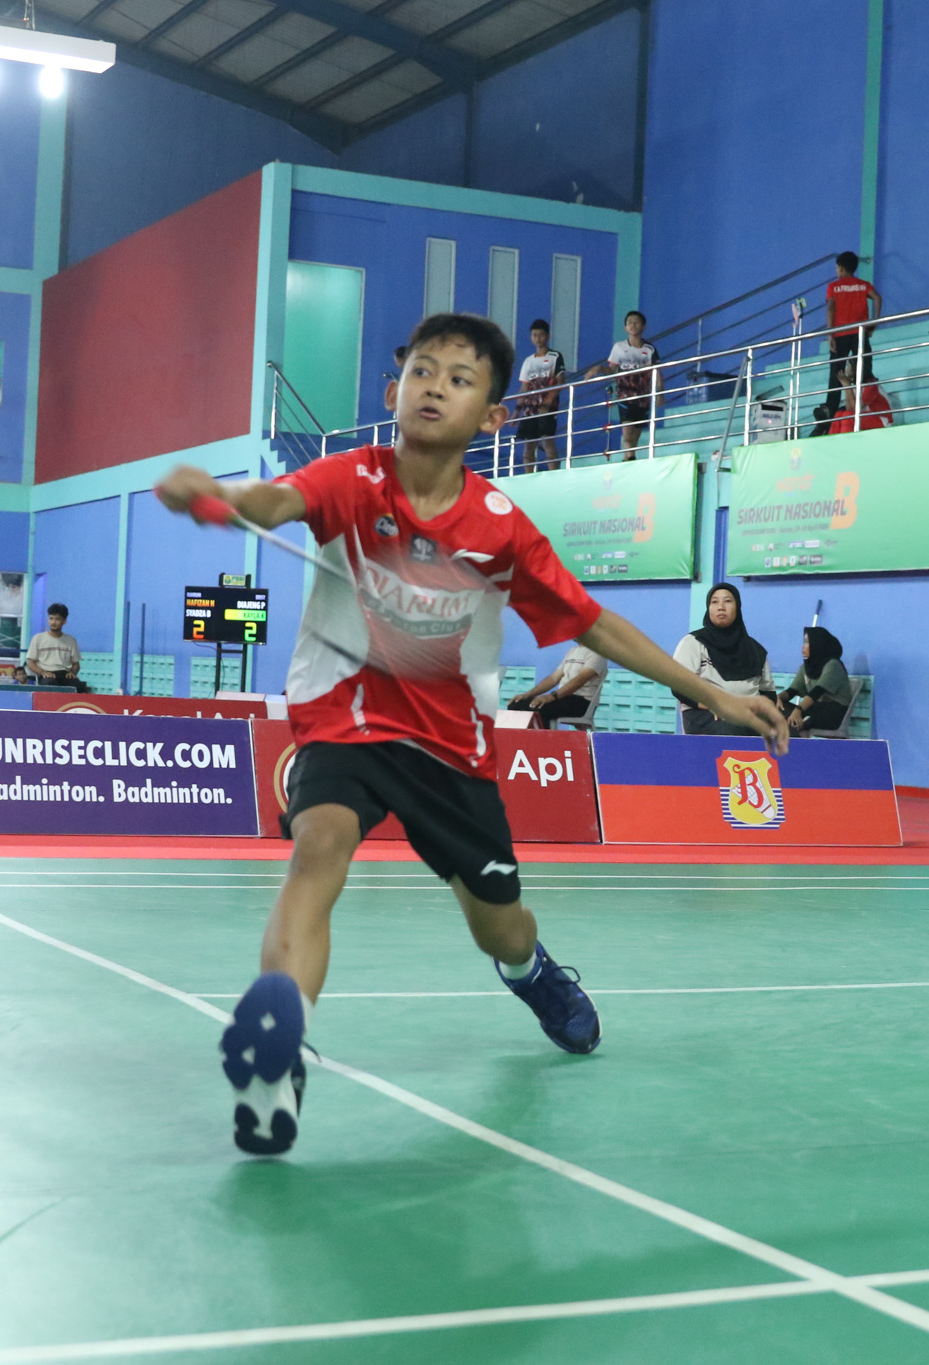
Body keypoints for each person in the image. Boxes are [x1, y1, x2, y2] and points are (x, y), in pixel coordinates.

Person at [155, 313, 786, 1156]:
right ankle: (279, 1047)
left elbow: (594, 625)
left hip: (449, 747)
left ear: (492, 416)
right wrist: (224, 497)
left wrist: (714, 695)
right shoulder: (353, 477)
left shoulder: (499, 526)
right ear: (394, 389)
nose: (434, 387)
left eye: (459, 379)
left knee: (501, 926)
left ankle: (530, 971)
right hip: (344, 717)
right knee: (317, 850)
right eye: (423, 370)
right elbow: (275, 500)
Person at [673, 582, 775, 735]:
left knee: (789, 733)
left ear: (737, 607)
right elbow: (679, 686)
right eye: (714, 602)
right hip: (706, 712)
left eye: (727, 601)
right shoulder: (693, 643)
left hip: (748, 715)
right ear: (708, 608)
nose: (721, 607)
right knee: (734, 730)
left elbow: (768, 693)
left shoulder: (755, 650)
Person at [813, 252, 881, 434]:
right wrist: (874, 322)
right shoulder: (863, 285)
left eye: (836, 268)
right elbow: (877, 298)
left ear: (841, 269)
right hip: (859, 332)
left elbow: (830, 308)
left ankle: (830, 407)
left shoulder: (833, 287)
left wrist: (830, 335)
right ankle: (866, 397)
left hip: (841, 334)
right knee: (865, 367)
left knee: (836, 371)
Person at [586, 310, 660, 460]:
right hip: (625, 394)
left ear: (644, 326)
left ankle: (627, 459)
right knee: (627, 434)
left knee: (635, 436)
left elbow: (656, 372)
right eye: (629, 322)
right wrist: (599, 369)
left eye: (636, 322)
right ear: (626, 328)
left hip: (642, 397)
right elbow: (612, 369)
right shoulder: (619, 347)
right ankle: (630, 458)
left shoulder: (649, 349)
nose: (632, 325)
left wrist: (660, 392)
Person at [507, 642, 607, 728]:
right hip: (563, 697)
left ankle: (544, 742)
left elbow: (579, 680)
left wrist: (552, 696)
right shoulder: (573, 651)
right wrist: (527, 695)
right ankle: (520, 741)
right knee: (517, 704)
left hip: (582, 702)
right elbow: (553, 678)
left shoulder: (598, 653)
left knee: (540, 708)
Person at [777, 626, 853, 735]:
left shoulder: (833, 665)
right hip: (814, 709)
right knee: (773, 708)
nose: (803, 646)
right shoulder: (807, 667)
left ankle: (798, 738)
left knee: (792, 722)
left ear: (817, 644)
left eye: (807, 642)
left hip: (833, 713)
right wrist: (779, 697)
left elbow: (816, 693)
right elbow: (792, 691)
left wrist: (798, 710)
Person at [513, 319, 566, 473]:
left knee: (547, 441)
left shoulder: (555, 356)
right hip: (529, 409)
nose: (538, 338)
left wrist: (548, 401)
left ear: (548, 336)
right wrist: (517, 409)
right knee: (529, 445)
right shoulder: (528, 361)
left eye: (541, 335)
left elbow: (560, 381)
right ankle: (528, 477)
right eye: (534, 335)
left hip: (547, 408)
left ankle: (554, 475)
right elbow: (524, 386)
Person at [25, 603, 86, 690]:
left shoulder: (71, 641)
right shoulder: (38, 638)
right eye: (51, 618)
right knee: (50, 683)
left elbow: (76, 664)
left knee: (78, 686)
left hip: (65, 674)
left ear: (64, 621)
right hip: (46, 674)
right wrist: (42, 672)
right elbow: (30, 662)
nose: (53, 622)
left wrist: (72, 672)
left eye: (57, 619)